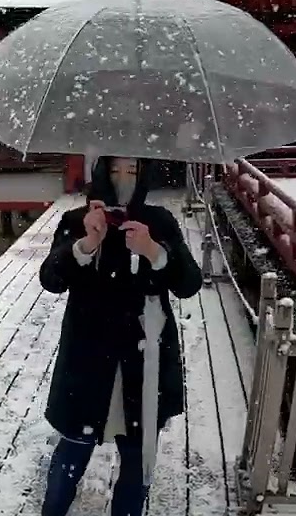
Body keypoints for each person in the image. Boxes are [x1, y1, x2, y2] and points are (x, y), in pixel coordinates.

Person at [38, 156, 202, 516]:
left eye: (132, 171)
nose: (123, 180)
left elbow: (189, 283)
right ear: (101, 174)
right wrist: (84, 246)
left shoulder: (158, 222)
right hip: (88, 357)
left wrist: (155, 252)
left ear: (144, 175)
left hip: (143, 360)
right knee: (71, 454)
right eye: (114, 171)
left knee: (137, 463)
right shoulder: (77, 220)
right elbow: (50, 280)